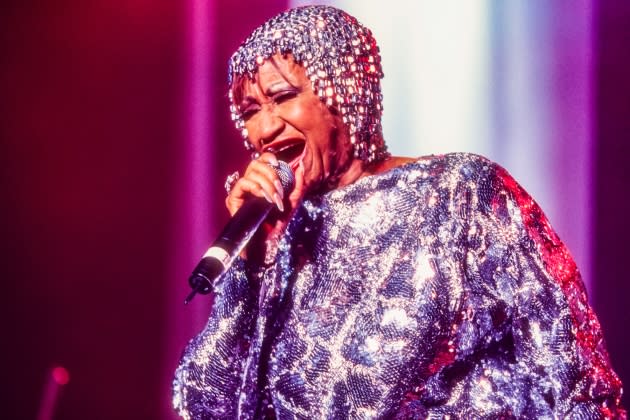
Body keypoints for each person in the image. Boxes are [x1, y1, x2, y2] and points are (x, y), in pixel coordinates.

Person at [173, 5, 625, 419]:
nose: (266, 127)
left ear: (346, 89)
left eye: (283, 97)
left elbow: (575, 381)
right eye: (251, 110)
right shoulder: (273, 234)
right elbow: (205, 406)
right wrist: (250, 269)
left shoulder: (457, 193)